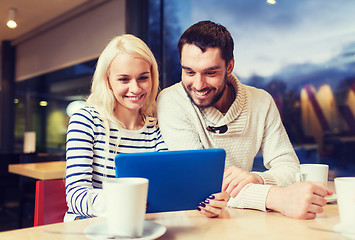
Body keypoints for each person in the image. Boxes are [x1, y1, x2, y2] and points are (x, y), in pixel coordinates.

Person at [157, 21, 332, 219]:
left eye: (210, 72)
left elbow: (290, 168)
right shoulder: (171, 100)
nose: (198, 85)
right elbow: (200, 184)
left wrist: (257, 178)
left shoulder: (261, 101)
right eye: (189, 72)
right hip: (195, 218)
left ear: (229, 66)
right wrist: (274, 197)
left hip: (243, 217)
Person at [64, 34, 169, 221]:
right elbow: (76, 197)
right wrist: (125, 202)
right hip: (92, 225)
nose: (135, 88)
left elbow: (165, 186)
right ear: (108, 80)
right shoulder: (86, 120)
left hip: (142, 224)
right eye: (124, 79)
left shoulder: (157, 127)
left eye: (143, 78)